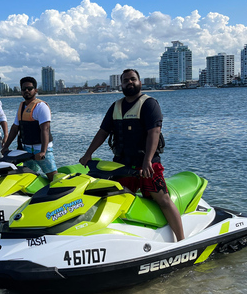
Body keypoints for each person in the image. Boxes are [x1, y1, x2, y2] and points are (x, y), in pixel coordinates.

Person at [79, 69, 185, 241]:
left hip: (148, 165)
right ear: (121, 84)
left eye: (133, 79)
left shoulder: (149, 104)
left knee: (163, 200)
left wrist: (147, 160)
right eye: (126, 80)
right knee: (113, 198)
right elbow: (103, 132)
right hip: (122, 165)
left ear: (140, 82)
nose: (130, 82)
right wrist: (88, 154)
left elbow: (154, 132)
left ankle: (181, 240)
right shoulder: (116, 106)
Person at [1, 76, 58, 181]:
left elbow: (45, 129)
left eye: (29, 88)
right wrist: (6, 147)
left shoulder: (41, 106)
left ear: (35, 90)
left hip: (41, 149)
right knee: (29, 177)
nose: (26, 91)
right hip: (27, 150)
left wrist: (43, 151)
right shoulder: (22, 106)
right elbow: (15, 128)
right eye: (24, 89)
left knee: (53, 177)